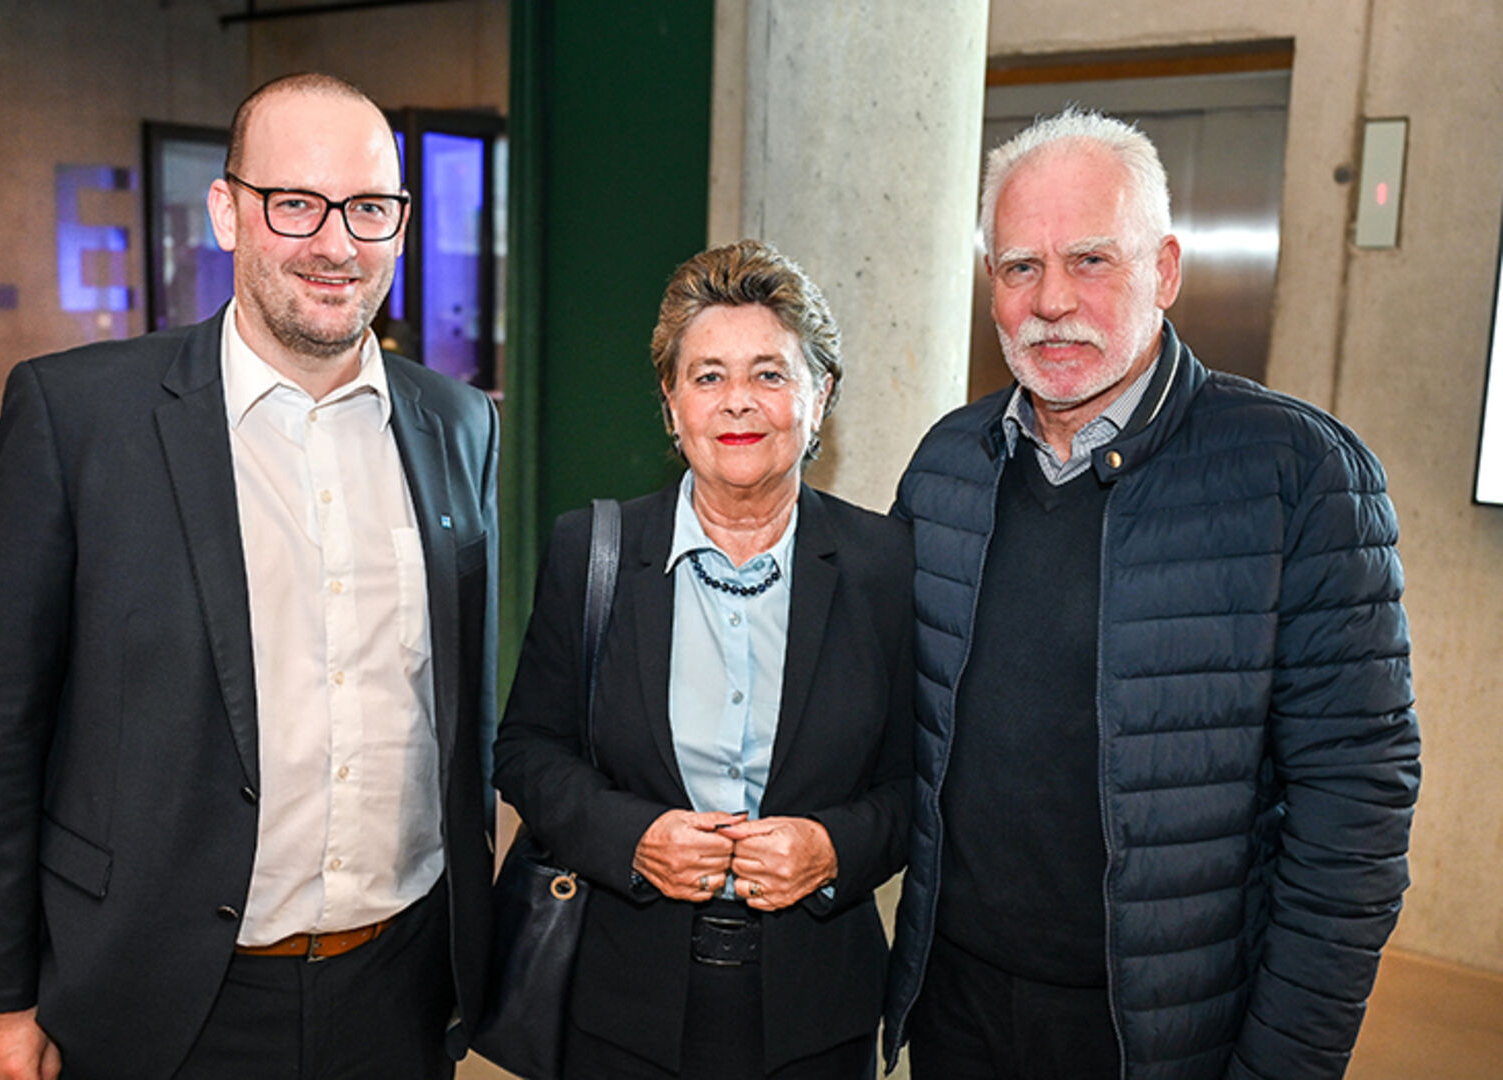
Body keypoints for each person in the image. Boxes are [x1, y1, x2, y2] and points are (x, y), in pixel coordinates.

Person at [0, 73, 499, 1080]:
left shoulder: (458, 425)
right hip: (157, 999)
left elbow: (458, 713)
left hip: (399, 988)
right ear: (228, 212)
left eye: (369, 207)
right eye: (296, 203)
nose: (336, 243)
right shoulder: (77, 420)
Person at [883, 108, 1420, 1079]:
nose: (1050, 301)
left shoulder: (1298, 474)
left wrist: (1284, 1062)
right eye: (1017, 267)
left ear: (1164, 270)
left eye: (1090, 260)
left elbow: (1354, 813)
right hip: (955, 1009)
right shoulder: (945, 467)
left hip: (1166, 1033)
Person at [494, 240, 913, 1079]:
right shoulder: (593, 552)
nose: (738, 404)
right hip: (619, 1002)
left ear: (819, 395)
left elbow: (921, 782)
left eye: (769, 373)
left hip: (815, 1010)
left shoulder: (886, 565)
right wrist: (633, 836)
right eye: (708, 376)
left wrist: (836, 847)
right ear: (672, 403)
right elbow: (526, 753)